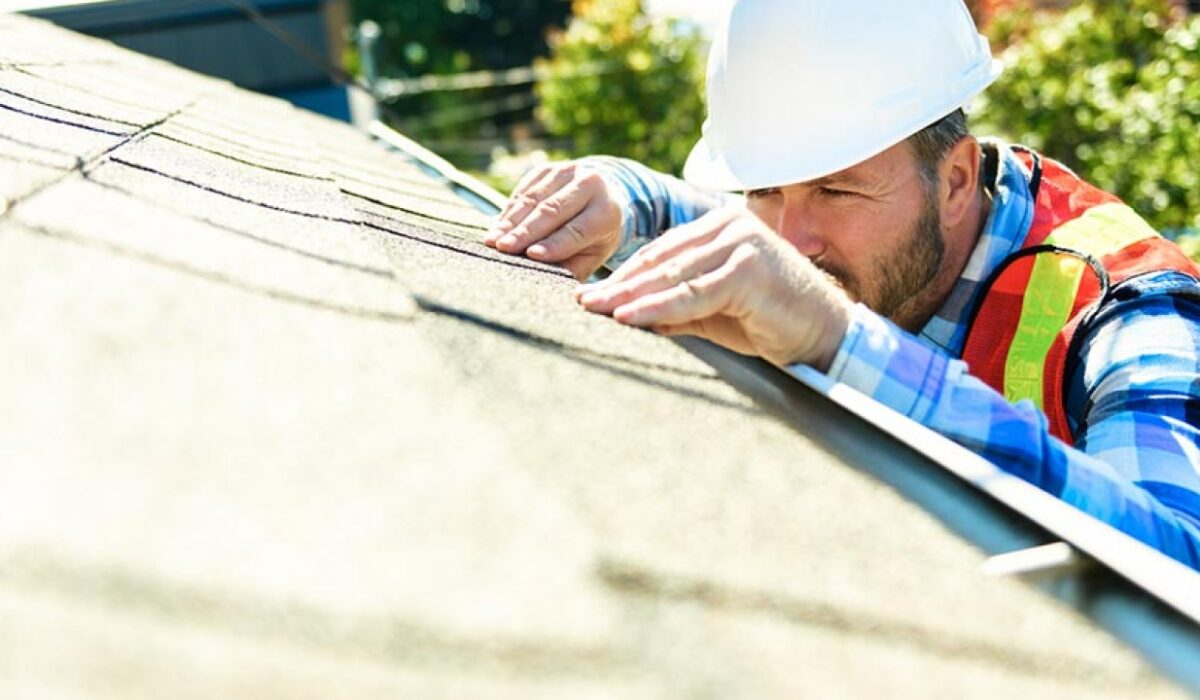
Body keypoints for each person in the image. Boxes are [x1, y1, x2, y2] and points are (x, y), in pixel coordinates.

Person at [485, 0, 1200, 568]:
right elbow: (731, 236)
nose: (790, 243)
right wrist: (617, 195)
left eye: (834, 190)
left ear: (955, 179)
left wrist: (841, 338)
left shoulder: (1134, 311)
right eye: (763, 188)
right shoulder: (863, 216)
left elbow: (1179, 559)